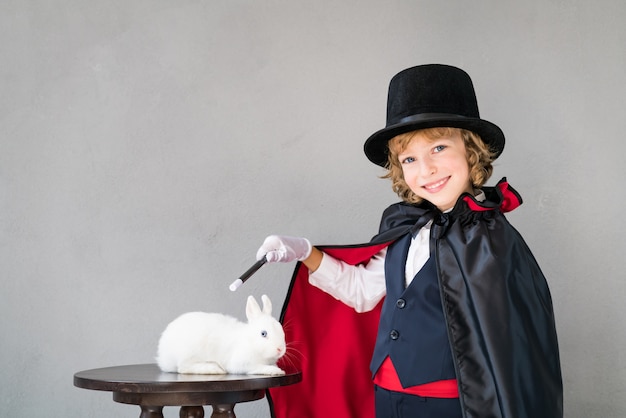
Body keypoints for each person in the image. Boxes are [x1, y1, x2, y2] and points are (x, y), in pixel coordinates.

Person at [259, 64, 563, 418]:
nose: (426, 169)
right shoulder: (404, 230)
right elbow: (361, 291)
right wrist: (307, 253)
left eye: (438, 148)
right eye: (409, 158)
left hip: (452, 405)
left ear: (471, 151)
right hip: (387, 397)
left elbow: (514, 351)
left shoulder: (493, 242)